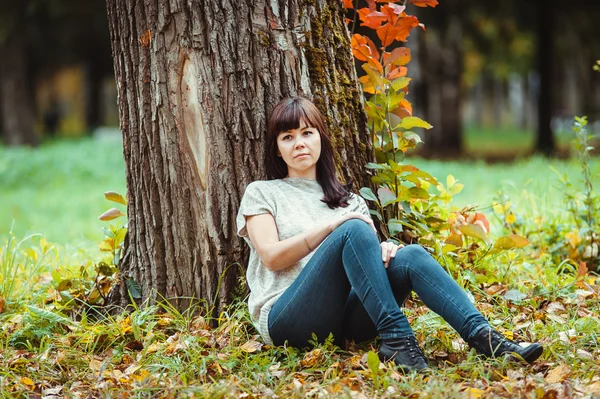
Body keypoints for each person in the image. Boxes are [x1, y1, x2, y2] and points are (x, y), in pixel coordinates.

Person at [235, 96, 543, 372]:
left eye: (307, 133)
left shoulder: (349, 200)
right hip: (289, 321)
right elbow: (272, 258)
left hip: (346, 323)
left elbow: (358, 254)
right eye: (287, 137)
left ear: (321, 139)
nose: (299, 143)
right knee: (351, 227)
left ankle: (485, 338)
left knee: (409, 255)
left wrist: (380, 249)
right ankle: (398, 337)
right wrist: (332, 227)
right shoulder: (263, 193)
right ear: (277, 148)